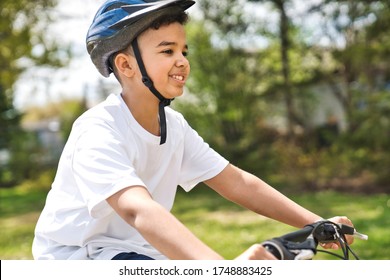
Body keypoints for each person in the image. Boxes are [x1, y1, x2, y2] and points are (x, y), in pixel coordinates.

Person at [32, 0, 354, 260]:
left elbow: (237, 182)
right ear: (126, 66)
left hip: (135, 255)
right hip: (76, 259)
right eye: (167, 51)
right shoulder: (98, 130)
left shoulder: (174, 127)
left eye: (184, 51)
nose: (183, 61)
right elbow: (138, 210)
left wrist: (315, 222)